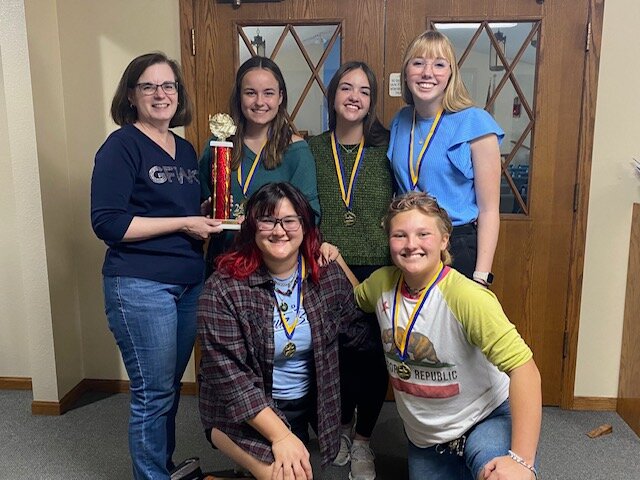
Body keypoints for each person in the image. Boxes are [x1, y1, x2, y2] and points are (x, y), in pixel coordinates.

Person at [90, 52, 222, 479]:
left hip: (187, 283)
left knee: (165, 390)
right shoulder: (121, 145)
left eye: (169, 86)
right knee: (153, 392)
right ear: (131, 95)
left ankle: (161, 468)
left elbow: (174, 209)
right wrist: (186, 221)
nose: (160, 94)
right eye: (149, 86)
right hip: (140, 284)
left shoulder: (183, 148)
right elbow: (108, 222)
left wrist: (202, 209)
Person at [350, 192, 541, 480]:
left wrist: (521, 460)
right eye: (400, 235)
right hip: (427, 440)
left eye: (423, 234)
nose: (411, 244)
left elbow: (525, 369)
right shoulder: (380, 285)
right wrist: (336, 257)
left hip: (485, 418)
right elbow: (354, 297)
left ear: (443, 240)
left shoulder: (466, 297)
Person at [197, 182, 365, 480]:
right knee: (285, 475)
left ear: (304, 225)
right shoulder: (224, 287)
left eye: (289, 220)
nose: (279, 230)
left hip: (300, 405)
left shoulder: (325, 277)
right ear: (251, 227)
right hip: (239, 411)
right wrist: (280, 437)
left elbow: (358, 326)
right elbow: (232, 382)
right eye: (267, 220)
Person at [307, 61, 391, 480]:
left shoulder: (387, 148)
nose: (354, 97)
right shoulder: (313, 149)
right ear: (333, 96)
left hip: (380, 266)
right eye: (346, 88)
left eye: (363, 91)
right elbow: (303, 205)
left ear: (372, 101)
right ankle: (338, 429)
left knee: (375, 357)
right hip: (326, 264)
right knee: (334, 356)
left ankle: (363, 440)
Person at [388, 30, 504, 285]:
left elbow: (489, 210)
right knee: (409, 324)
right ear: (406, 72)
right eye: (418, 63)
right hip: (409, 245)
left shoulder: (476, 123)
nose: (427, 73)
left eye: (439, 64)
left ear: (451, 73)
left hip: (455, 246)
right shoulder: (401, 121)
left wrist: (481, 276)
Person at [198, 56, 321, 276]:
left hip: (273, 270)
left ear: (281, 97)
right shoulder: (218, 147)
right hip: (222, 267)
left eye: (268, 93)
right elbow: (198, 204)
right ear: (239, 97)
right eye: (250, 93)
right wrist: (204, 213)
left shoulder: (297, 152)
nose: (259, 101)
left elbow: (310, 216)